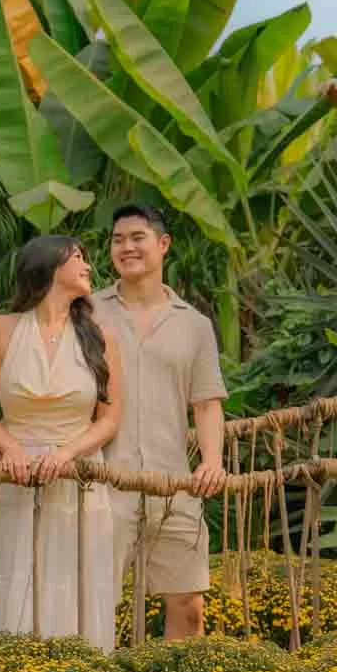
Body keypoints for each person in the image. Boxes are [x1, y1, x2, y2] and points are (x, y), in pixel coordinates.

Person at [0, 234, 123, 652]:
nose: (88, 265)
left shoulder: (100, 338)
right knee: (15, 574)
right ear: (49, 266)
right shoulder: (0, 330)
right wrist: (10, 449)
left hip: (78, 477)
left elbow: (108, 421)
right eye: (78, 258)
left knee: (73, 579)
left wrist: (67, 453)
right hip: (15, 476)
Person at [92, 204, 226, 641]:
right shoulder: (86, 312)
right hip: (101, 480)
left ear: (163, 244)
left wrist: (212, 461)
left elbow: (206, 402)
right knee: (93, 600)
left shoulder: (195, 325)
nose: (126, 247)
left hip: (176, 484)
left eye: (137, 237)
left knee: (189, 605)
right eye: (117, 240)